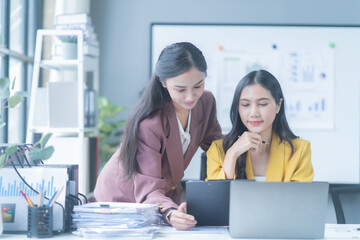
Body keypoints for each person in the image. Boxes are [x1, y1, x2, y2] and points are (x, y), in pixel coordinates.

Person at [94, 42, 222, 230]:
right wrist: (170, 213)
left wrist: (244, 142)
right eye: (180, 89)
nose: (191, 96)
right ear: (163, 83)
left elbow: (214, 143)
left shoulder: (206, 101)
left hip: (163, 196)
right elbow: (149, 190)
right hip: (122, 198)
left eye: (198, 85)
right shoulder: (150, 123)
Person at [207, 70, 313, 182]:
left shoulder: (299, 150)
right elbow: (216, 197)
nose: (253, 113)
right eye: (245, 105)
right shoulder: (218, 150)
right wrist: (232, 155)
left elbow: (300, 198)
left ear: (278, 105)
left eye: (262, 104)